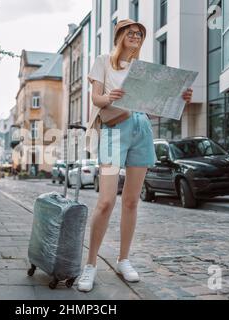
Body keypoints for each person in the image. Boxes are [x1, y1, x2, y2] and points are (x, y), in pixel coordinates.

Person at [78, 19, 193, 292]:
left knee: (131, 202)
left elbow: (154, 106)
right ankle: (91, 264)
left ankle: (123, 259)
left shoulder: (142, 70)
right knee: (106, 201)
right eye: (130, 32)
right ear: (119, 36)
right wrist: (109, 97)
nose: (135, 36)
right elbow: (96, 99)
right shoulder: (104, 61)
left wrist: (181, 97)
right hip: (113, 131)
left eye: (139, 34)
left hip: (141, 129)